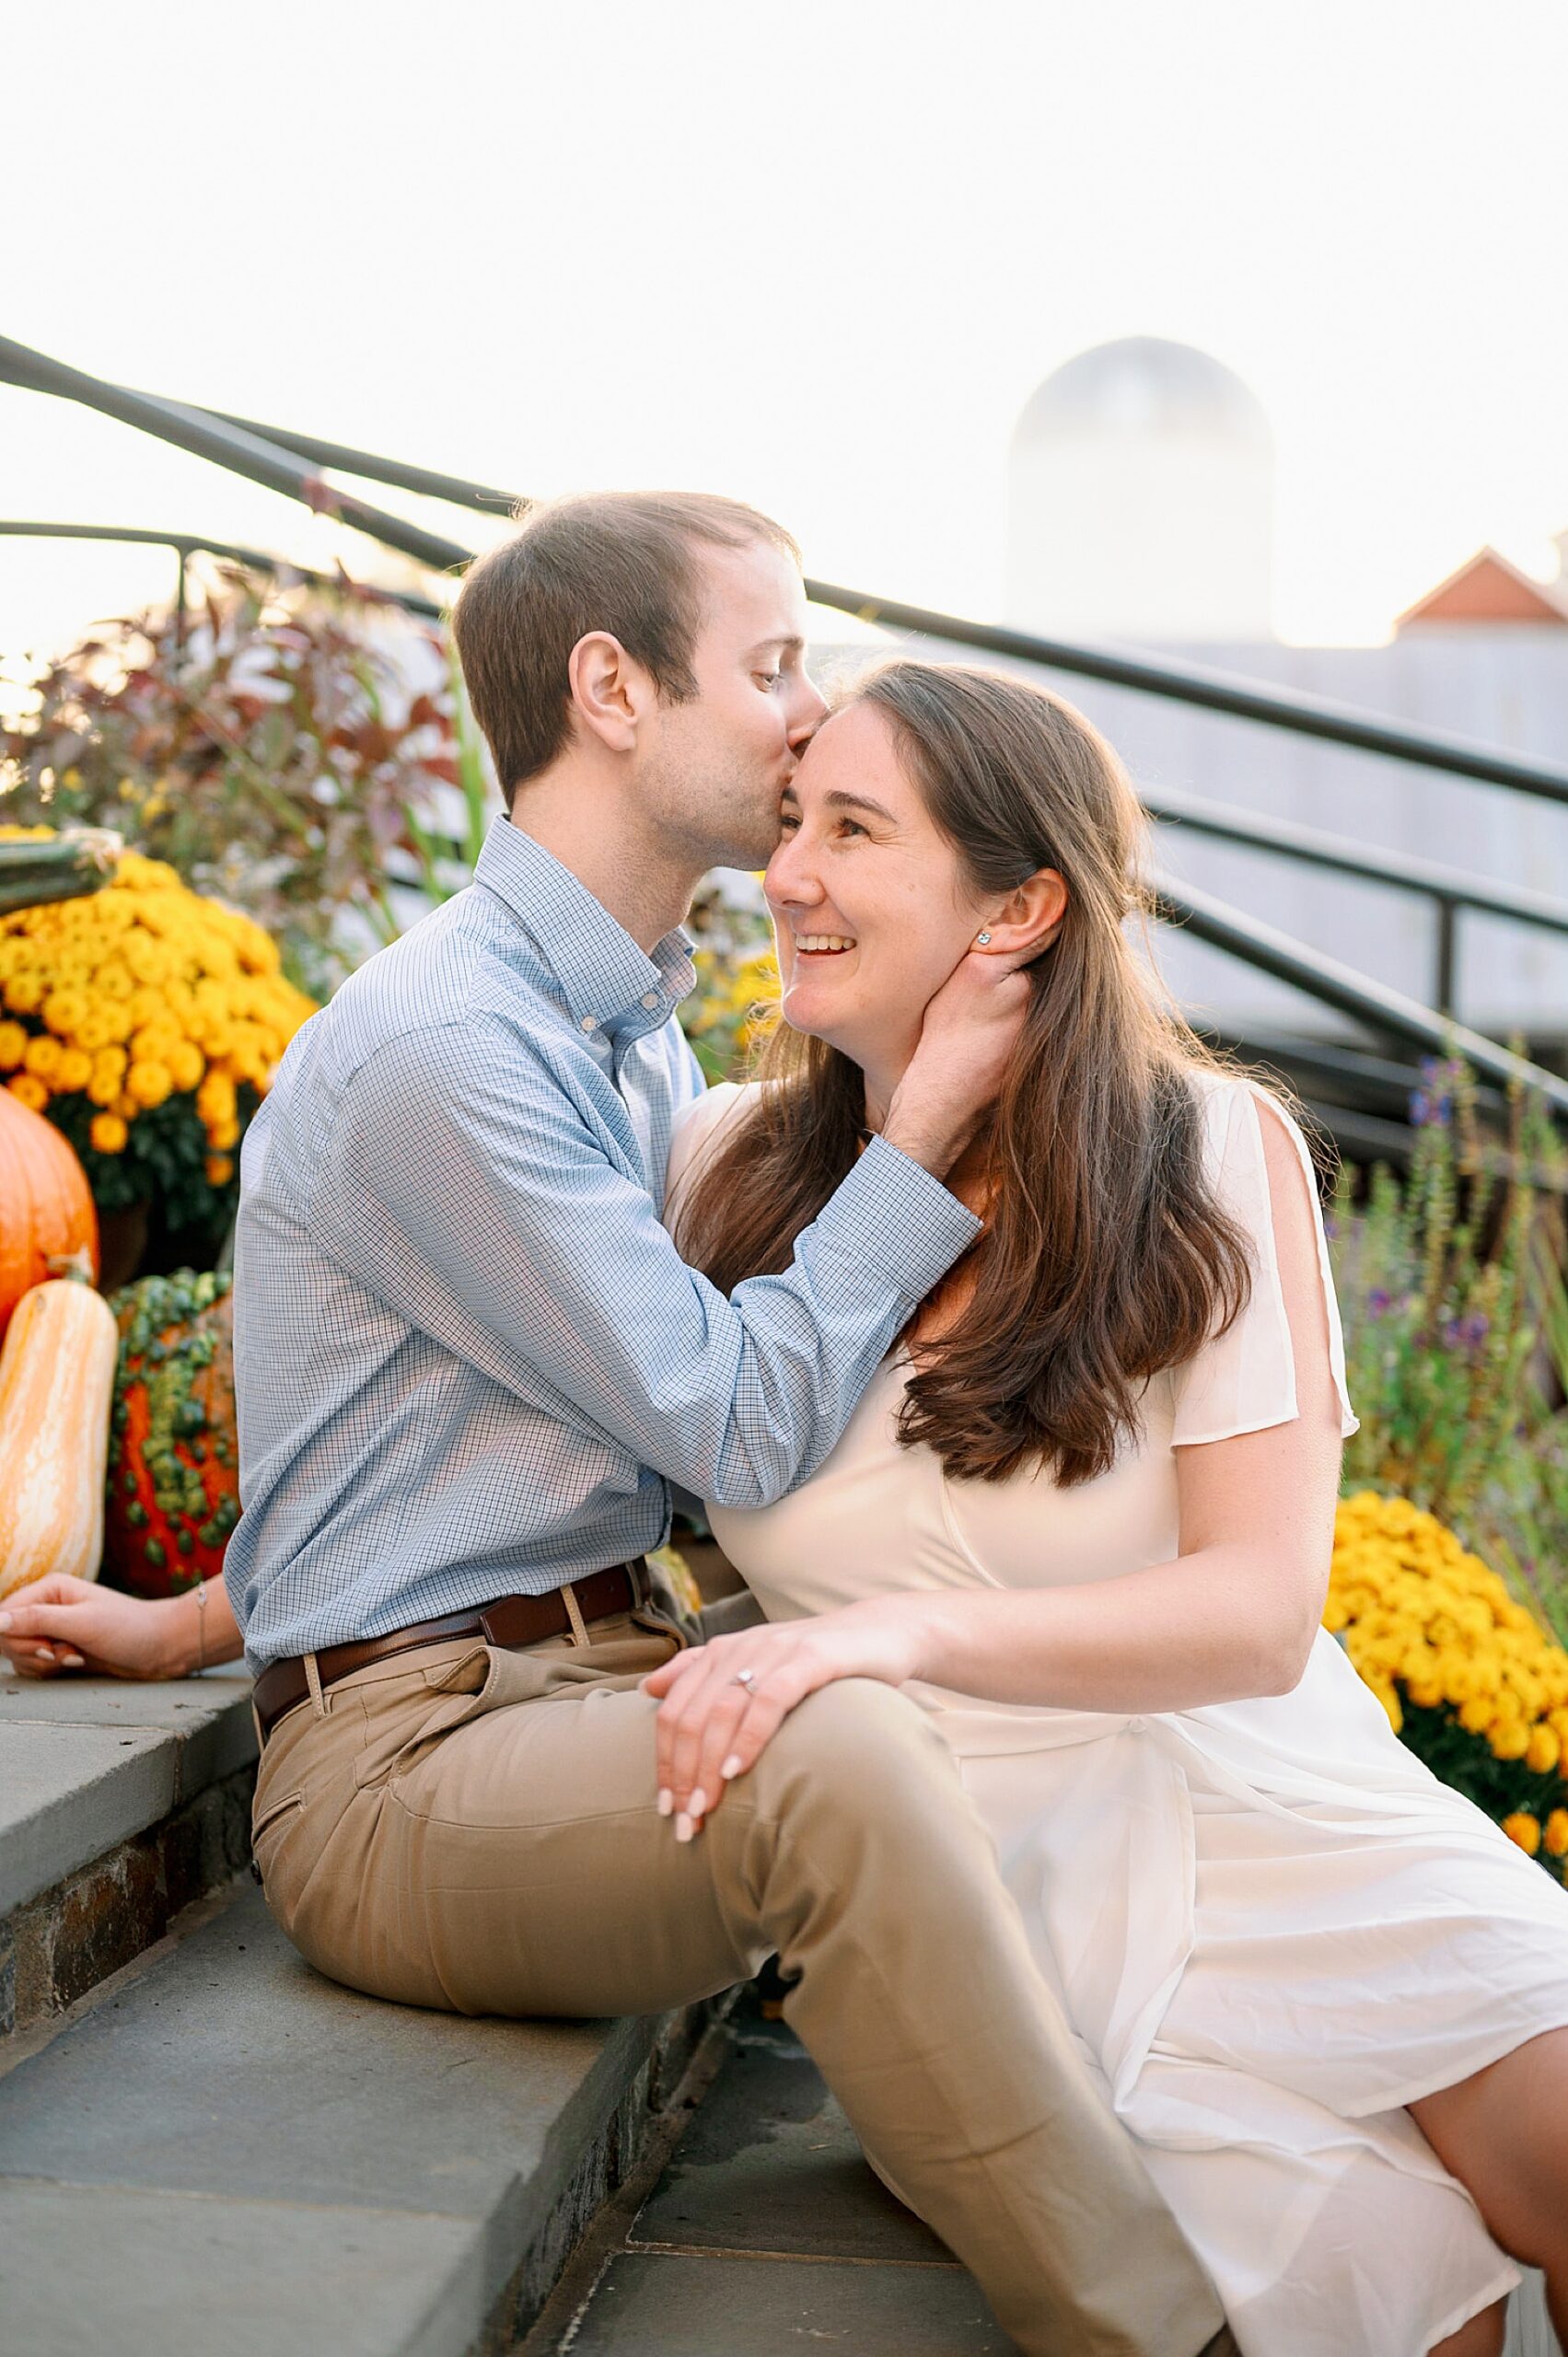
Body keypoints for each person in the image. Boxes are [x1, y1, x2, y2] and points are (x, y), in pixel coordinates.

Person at [0, 496, 1234, 2357]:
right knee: (842, 1753)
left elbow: (433, 1438)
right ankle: (1172, 2333)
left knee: (996, 1645)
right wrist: (913, 1146)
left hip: (595, 1679)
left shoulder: (629, 1040)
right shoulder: (448, 1049)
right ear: (612, 690)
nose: (808, 718)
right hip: (405, 1775)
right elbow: (728, 1421)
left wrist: (197, 1611)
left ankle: (1187, 2121)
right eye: (770, 665)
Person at [651, 658, 1568, 2357]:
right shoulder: (719, 1168)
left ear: (1020, 907)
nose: (786, 874)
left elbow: (1254, 1613)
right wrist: (216, 1618)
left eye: (852, 829)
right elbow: (526, 1467)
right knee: (1399, 2293)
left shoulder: (1207, 1150)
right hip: (984, 1891)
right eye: (792, 822)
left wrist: (888, 1634)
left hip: (1274, 1803)